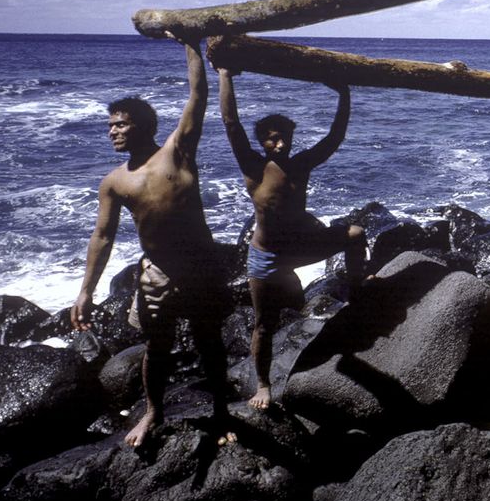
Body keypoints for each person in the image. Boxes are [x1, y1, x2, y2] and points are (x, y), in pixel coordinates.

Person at [71, 36, 232, 448]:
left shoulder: (178, 152)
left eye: (120, 124)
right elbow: (103, 236)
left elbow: (197, 95)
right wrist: (86, 291)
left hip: (201, 265)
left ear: (142, 126)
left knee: (209, 341)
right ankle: (153, 412)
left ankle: (222, 412)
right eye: (110, 125)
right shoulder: (115, 181)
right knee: (156, 347)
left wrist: (191, 44)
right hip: (157, 273)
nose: (112, 131)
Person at [217, 68, 366, 410]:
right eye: (273, 138)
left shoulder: (301, 164)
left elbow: (334, 137)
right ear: (262, 141)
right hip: (267, 257)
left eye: (285, 137)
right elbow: (230, 123)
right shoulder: (253, 167)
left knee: (356, 234)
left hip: (301, 248)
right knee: (263, 325)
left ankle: (358, 293)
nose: (281, 144)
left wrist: (344, 93)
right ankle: (263, 385)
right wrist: (225, 75)